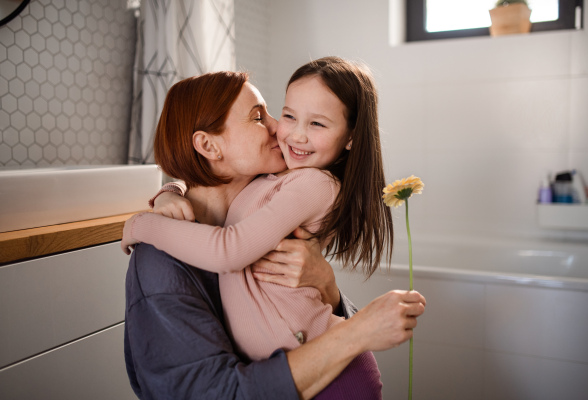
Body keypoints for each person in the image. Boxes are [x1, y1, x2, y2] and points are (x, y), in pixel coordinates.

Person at [123, 65, 426, 399]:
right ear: (209, 146)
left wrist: (327, 286)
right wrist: (168, 196)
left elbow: (297, 308)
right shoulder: (161, 263)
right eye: (259, 117)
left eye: (271, 113)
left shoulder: (285, 190)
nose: (279, 128)